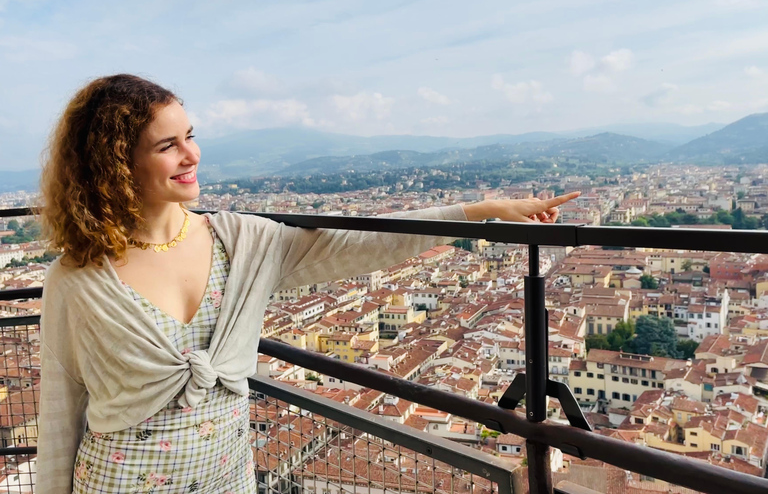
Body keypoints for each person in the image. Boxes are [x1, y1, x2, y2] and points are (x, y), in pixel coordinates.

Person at [36, 73, 579, 493]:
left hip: (228, 476)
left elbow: (362, 241)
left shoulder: (242, 242)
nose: (192, 155)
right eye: (167, 145)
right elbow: (61, 413)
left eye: (190, 136)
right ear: (116, 165)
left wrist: (479, 212)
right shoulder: (78, 280)